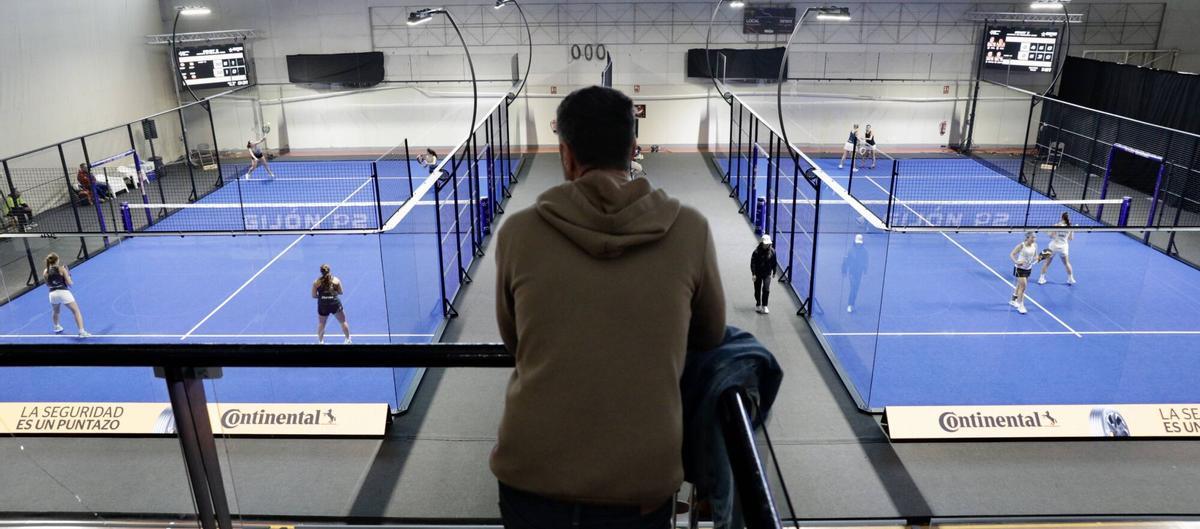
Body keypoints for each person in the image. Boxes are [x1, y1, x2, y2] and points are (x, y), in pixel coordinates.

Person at [492, 85, 726, 528]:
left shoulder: (517, 233)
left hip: (530, 476)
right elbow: (710, 335)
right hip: (640, 483)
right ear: (633, 148)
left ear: (566, 154)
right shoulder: (691, 229)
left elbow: (515, 341)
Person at [43, 253, 89, 337]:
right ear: (57, 260)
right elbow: (70, 284)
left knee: (56, 311)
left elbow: (48, 285)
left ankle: (56, 326)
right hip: (63, 292)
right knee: (76, 311)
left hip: (52, 294)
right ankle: (81, 331)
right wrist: (68, 274)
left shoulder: (45, 271)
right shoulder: (62, 269)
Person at [1009, 231, 1050, 315]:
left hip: (1028, 268)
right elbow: (1012, 254)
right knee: (1023, 287)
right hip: (1020, 268)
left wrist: (1041, 258)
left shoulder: (1035, 245)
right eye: (1032, 237)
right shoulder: (1021, 245)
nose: (1034, 239)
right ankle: (1021, 305)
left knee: (1020, 285)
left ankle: (1013, 300)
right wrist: (1016, 261)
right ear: (1028, 238)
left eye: (1035, 237)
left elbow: (1035, 257)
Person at [312, 264, 350, 344]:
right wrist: (332, 294)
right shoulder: (336, 280)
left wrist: (322, 296)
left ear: (321, 272)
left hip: (323, 305)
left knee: (322, 323)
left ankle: (321, 342)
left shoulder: (316, 282)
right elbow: (341, 292)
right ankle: (348, 340)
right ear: (329, 270)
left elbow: (314, 295)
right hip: (334, 303)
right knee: (343, 321)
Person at [1039, 212, 1076, 285]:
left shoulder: (1057, 225)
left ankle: (1041, 278)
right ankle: (1071, 279)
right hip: (1063, 248)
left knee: (1046, 263)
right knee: (1066, 263)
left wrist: (1049, 232)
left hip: (1053, 247)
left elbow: (1051, 236)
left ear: (1062, 217)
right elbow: (1071, 238)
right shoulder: (1070, 227)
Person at [843, 233, 868, 313]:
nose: (858, 245)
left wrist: (865, 269)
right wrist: (844, 270)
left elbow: (866, 261)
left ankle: (852, 304)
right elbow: (846, 261)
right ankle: (850, 305)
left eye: (859, 243)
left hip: (859, 273)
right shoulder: (851, 250)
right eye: (857, 243)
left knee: (856, 289)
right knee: (853, 288)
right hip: (852, 273)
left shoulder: (864, 251)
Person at [750, 234, 775, 314]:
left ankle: (765, 305)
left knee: (766, 289)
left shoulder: (772, 252)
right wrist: (753, 274)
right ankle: (758, 304)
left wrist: (774, 271)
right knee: (757, 290)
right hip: (757, 274)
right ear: (762, 243)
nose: (766, 245)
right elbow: (753, 263)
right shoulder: (756, 252)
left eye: (768, 244)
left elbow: (774, 262)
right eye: (765, 244)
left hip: (767, 274)